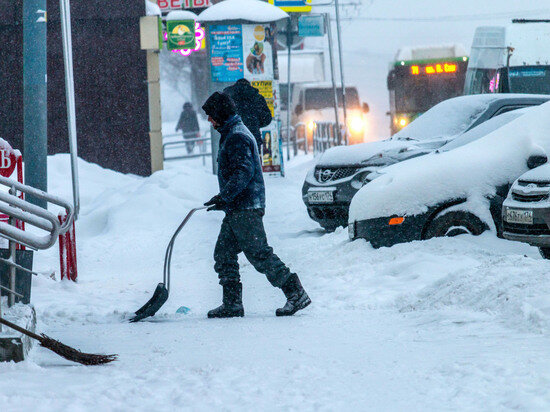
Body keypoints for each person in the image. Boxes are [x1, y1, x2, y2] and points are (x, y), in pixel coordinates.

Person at [201, 91, 311, 318]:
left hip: (246, 208)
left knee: (259, 254)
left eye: (211, 116)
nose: (210, 121)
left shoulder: (237, 136)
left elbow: (243, 172)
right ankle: (232, 304)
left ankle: (295, 292)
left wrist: (226, 196)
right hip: (237, 207)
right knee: (224, 255)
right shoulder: (232, 132)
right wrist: (224, 199)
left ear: (220, 113)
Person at [223, 79, 272, 150]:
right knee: (252, 159)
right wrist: (256, 123)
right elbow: (267, 118)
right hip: (253, 136)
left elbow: (222, 118)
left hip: (232, 137)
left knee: (233, 159)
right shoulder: (257, 98)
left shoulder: (228, 98)